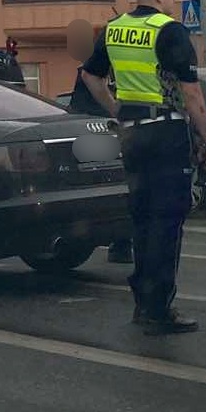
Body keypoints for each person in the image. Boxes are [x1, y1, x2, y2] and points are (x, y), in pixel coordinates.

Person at [80, 0, 206, 335]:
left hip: (132, 136)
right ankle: (159, 306)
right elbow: (192, 94)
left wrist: (116, 109)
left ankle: (143, 300)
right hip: (166, 134)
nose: (173, 0)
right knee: (168, 221)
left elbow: (90, 75)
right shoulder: (169, 31)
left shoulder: (114, 29)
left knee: (141, 219)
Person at [66, 19, 133, 264]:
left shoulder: (109, 68)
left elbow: (76, 109)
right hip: (100, 137)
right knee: (114, 190)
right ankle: (119, 242)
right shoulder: (94, 70)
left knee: (120, 190)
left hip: (112, 136)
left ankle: (121, 242)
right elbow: (80, 110)